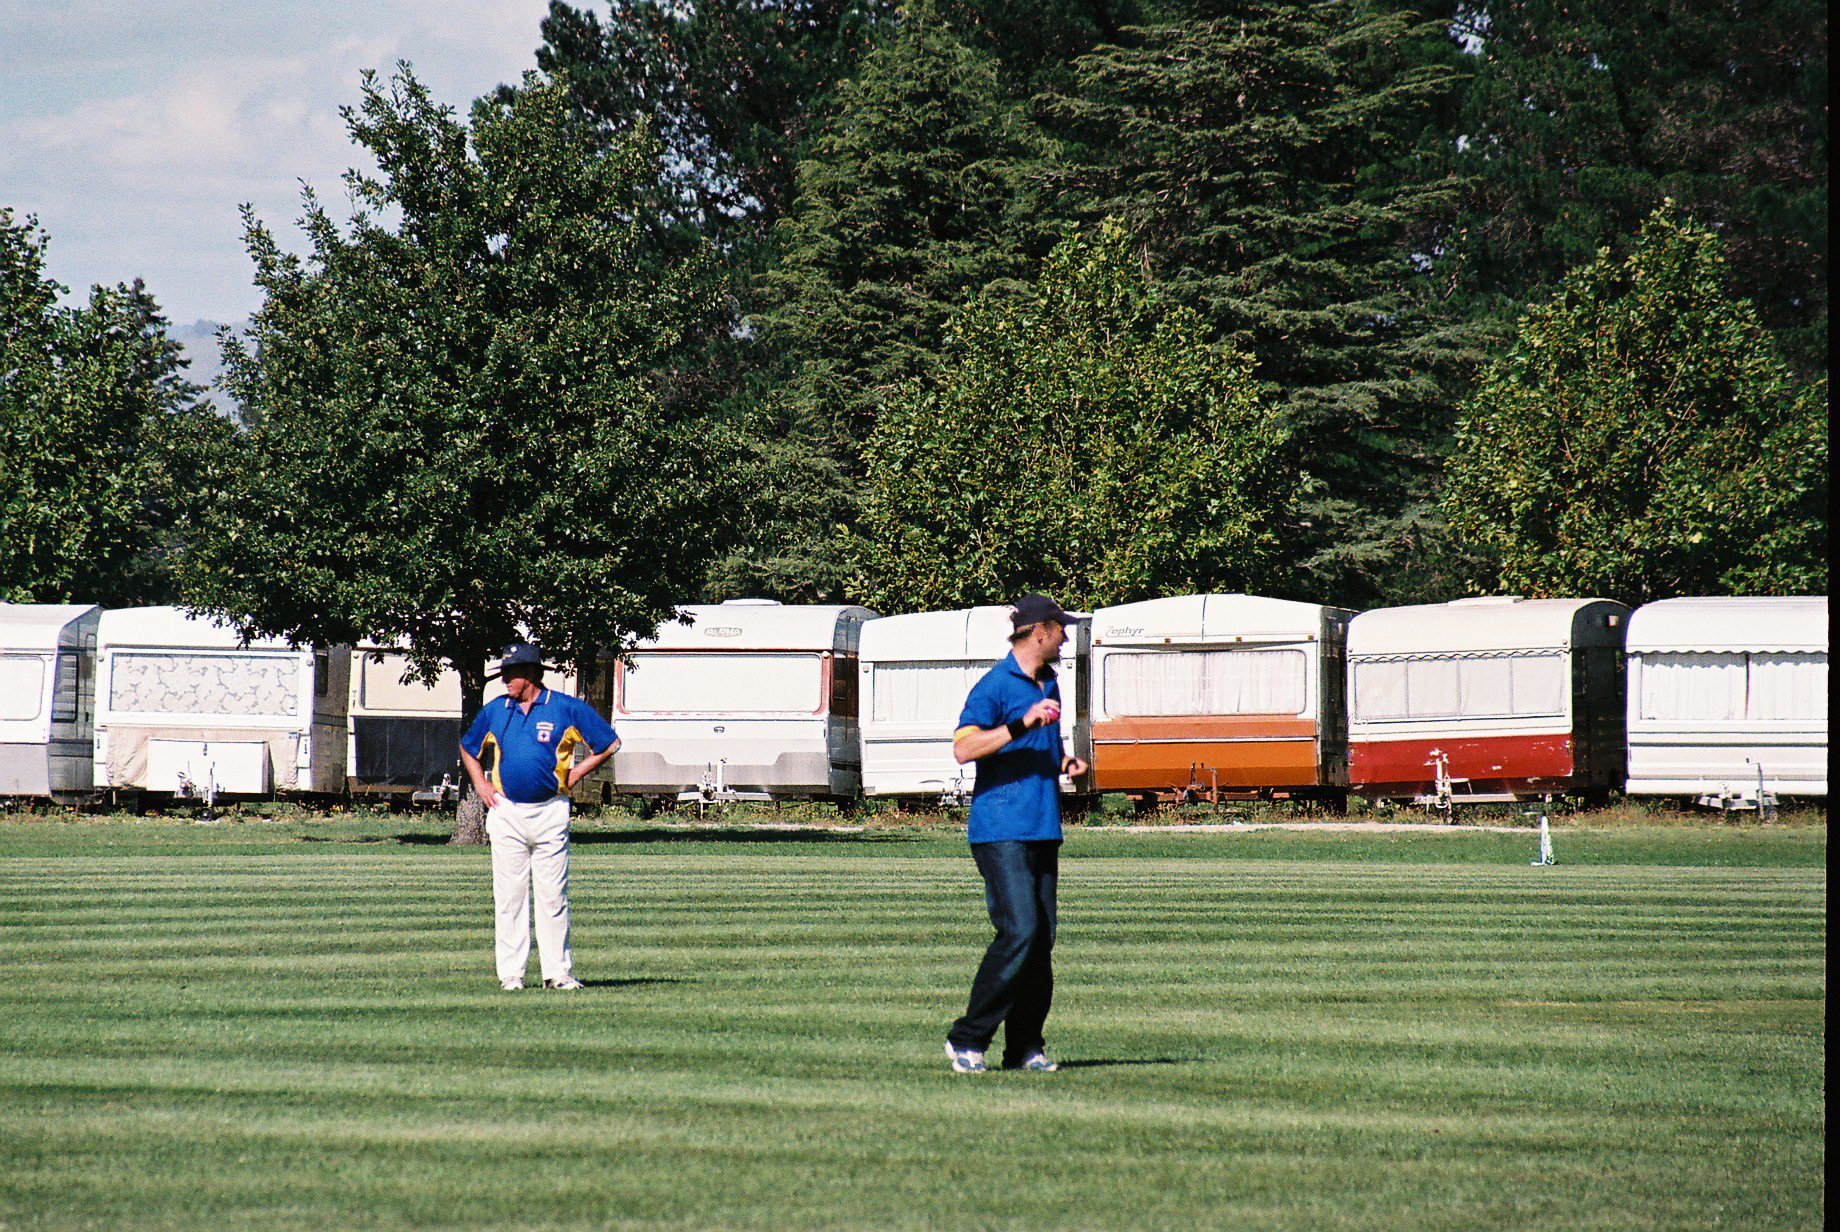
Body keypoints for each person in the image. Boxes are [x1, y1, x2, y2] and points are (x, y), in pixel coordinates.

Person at [944, 594, 1088, 1073]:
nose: (1066, 637)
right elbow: (964, 749)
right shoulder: (993, 685)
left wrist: (1064, 762)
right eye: (1061, 629)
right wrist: (1019, 723)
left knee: (1040, 939)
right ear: (1039, 631)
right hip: (999, 828)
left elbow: (1045, 748)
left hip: (1043, 826)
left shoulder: (1049, 682)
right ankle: (966, 1040)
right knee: (1020, 930)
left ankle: (1024, 1047)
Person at [459, 642, 620, 991]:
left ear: (530, 673)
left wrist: (575, 774)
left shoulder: (565, 708)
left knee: (552, 897)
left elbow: (609, 744)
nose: (504, 680)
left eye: (510, 674)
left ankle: (557, 974)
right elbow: (468, 748)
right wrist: (481, 785)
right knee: (509, 897)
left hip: (550, 811)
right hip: (507, 812)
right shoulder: (495, 710)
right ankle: (511, 975)